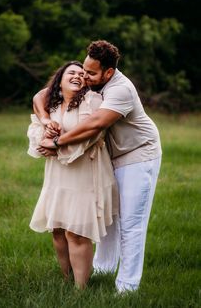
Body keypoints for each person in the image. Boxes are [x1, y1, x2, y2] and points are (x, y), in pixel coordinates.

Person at [34, 40, 162, 294]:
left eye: (91, 73)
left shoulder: (120, 90)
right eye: (83, 70)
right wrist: (46, 119)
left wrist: (57, 143)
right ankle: (102, 268)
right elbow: (41, 95)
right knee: (111, 218)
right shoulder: (91, 81)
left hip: (137, 154)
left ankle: (127, 286)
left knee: (131, 222)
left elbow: (93, 125)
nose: (85, 76)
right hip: (111, 156)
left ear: (109, 72)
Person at [27, 61, 118, 289]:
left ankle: (80, 290)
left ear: (87, 81)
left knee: (76, 232)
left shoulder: (94, 101)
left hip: (85, 173)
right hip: (58, 175)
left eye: (81, 73)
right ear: (60, 79)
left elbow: (91, 134)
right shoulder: (53, 103)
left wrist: (56, 145)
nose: (78, 75)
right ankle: (66, 280)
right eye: (72, 72)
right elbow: (37, 125)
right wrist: (45, 133)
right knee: (57, 230)